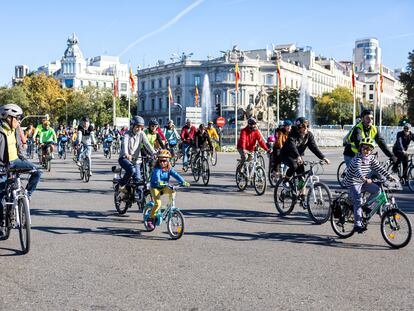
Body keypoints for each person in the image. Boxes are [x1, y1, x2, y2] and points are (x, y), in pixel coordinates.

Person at [0, 104, 42, 224]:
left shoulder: (16, 128)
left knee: (37, 171)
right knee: (1, 196)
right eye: (17, 118)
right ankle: (2, 223)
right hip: (2, 165)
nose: (19, 121)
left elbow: (20, 142)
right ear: (9, 117)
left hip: (16, 161)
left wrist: (22, 150)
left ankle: (27, 195)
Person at [343, 138, 396, 233]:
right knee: (358, 201)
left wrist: (389, 176)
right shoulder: (357, 159)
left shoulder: (371, 158)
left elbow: (379, 168)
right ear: (360, 148)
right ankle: (357, 225)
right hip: (353, 181)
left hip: (363, 181)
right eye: (364, 148)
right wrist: (364, 179)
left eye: (369, 149)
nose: (367, 151)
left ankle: (367, 208)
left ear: (372, 150)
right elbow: (358, 171)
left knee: (377, 190)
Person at [280, 117, 330, 202]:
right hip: (286, 155)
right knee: (294, 166)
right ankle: (286, 180)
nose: (306, 128)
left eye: (307, 126)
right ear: (299, 128)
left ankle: (302, 195)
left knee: (302, 177)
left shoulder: (309, 135)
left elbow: (314, 147)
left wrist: (323, 157)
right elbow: (292, 146)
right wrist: (298, 156)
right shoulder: (293, 134)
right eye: (304, 127)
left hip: (298, 156)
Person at [147, 150, 189, 230]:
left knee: (172, 190)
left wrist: (183, 181)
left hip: (164, 186)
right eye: (161, 161)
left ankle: (170, 206)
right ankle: (150, 218)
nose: (163, 163)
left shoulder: (169, 169)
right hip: (155, 187)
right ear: (158, 161)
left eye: (165, 161)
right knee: (158, 204)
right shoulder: (157, 169)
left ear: (168, 161)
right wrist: (159, 181)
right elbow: (157, 177)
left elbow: (176, 175)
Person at [118, 116, 156, 191]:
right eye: (137, 126)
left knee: (138, 180)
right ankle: (121, 184)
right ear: (132, 126)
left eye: (141, 127)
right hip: (124, 159)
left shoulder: (141, 134)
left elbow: (147, 144)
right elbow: (125, 144)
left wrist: (154, 153)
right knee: (132, 170)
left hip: (136, 161)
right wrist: (126, 154)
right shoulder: (127, 134)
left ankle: (139, 198)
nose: (139, 129)